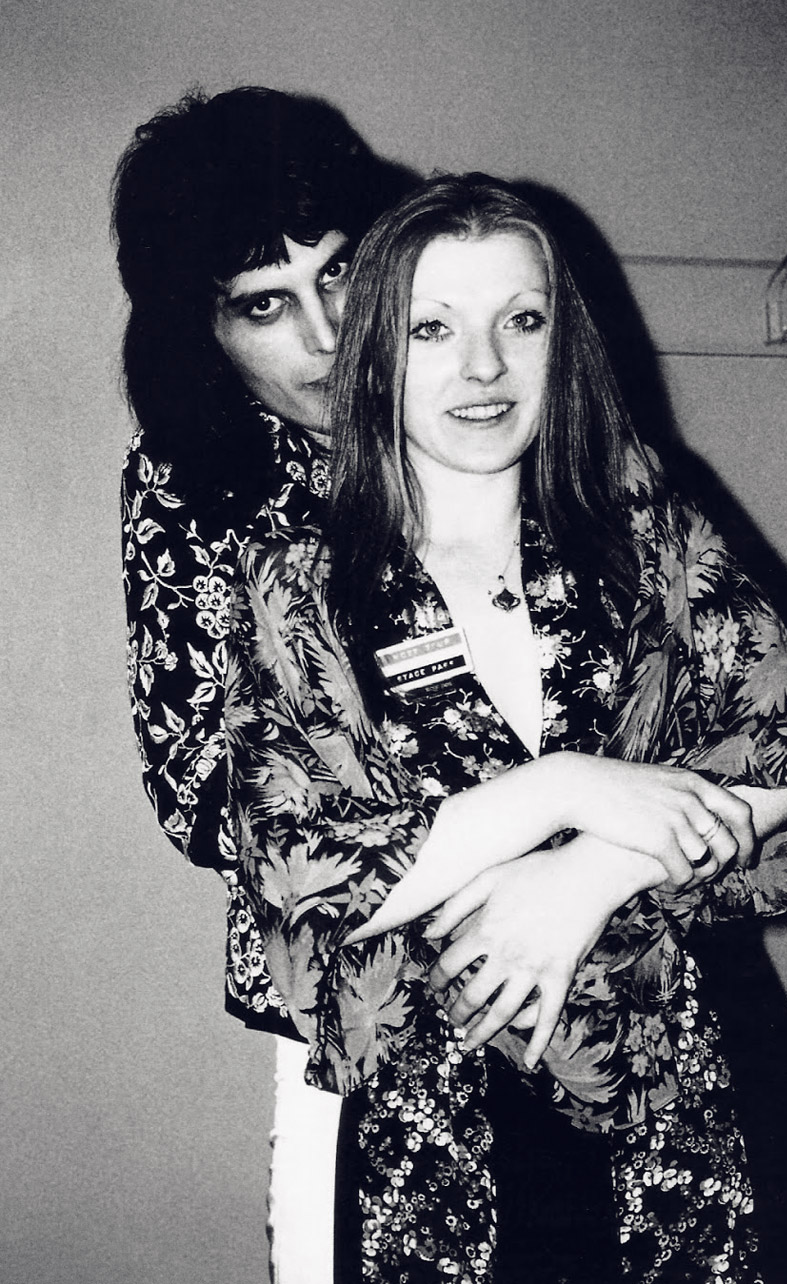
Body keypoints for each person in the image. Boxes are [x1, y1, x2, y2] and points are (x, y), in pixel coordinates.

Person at [225, 174, 787, 1283]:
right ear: (374, 353)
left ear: (565, 343)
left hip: (668, 1090)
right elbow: (298, 868)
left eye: (521, 321)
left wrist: (588, 878)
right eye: (432, 328)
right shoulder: (299, 583)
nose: (483, 367)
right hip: (430, 1132)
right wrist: (562, 787)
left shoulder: (646, 527)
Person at [113, 86, 415, 1276]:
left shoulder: (506, 412)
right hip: (357, 990)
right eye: (265, 303)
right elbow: (198, 791)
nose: (331, 336)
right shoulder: (194, 479)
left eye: (340, 272)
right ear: (205, 331)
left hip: (600, 963)